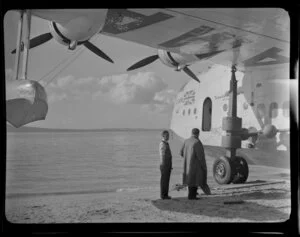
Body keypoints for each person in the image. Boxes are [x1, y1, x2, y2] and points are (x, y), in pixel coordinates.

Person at [180, 128, 211, 200]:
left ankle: (191, 195)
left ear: (191, 133)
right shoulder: (197, 142)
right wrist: (204, 167)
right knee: (195, 180)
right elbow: (201, 157)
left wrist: (187, 158)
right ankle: (192, 196)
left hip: (187, 165)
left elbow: (181, 153)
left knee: (190, 181)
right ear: (198, 134)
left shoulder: (186, 141)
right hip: (195, 166)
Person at [159, 130, 172, 199]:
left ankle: (165, 194)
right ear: (163, 136)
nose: (168, 137)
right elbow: (162, 155)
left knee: (167, 180)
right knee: (164, 181)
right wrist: (164, 165)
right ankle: (163, 195)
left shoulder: (166, 143)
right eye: (166, 135)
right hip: (164, 165)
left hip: (167, 165)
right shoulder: (162, 144)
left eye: (168, 135)